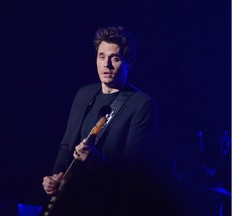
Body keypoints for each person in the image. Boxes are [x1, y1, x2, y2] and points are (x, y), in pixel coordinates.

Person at [42, 26, 173, 215]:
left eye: (115, 58)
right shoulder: (84, 94)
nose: (107, 65)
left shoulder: (142, 104)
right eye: (101, 56)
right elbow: (66, 145)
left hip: (107, 205)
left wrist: (95, 160)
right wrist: (56, 176)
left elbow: (132, 173)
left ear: (130, 64)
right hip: (73, 200)